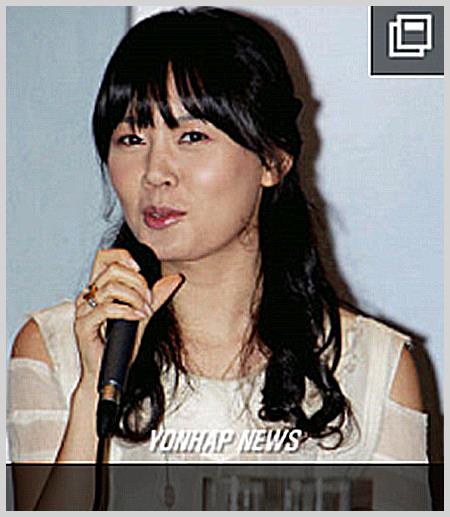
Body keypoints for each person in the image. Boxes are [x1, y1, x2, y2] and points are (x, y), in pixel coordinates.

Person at [7, 6, 428, 510]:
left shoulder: (372, 367)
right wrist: (92, 395)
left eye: (192, 137)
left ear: (272, 160)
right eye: (132, 138)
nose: (155, 172)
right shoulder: (56, 349)